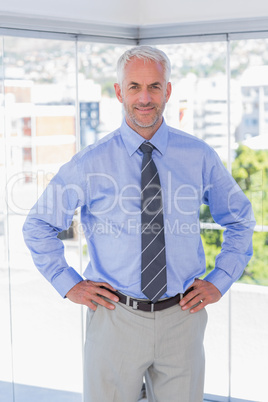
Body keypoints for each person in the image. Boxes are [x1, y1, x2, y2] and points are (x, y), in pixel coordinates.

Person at [23, 46, 255, 402]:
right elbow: (38, 224)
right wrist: (69, 284)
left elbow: (240, 218)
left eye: (154, 87)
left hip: (183, 317)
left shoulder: (199, 156)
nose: (144, 98)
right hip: (115, 318)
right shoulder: (90, 163)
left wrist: (219, 281)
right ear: (119, 92)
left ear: (168, 90)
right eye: (134, 87)